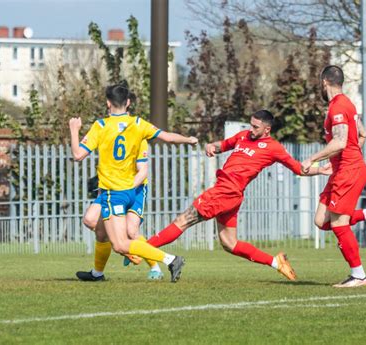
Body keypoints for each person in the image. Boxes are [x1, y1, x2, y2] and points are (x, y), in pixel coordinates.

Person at [145, 109, 332, 281]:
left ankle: (141, 250)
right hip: (228, 193)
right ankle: (276, 262)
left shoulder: (273, 147)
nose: (251, 129)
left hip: (226, 192)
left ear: (267, 129)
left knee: (182, 221)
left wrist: (320, 170)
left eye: (255, 127)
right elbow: (224, 145)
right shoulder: (244, 136)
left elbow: (298, 168)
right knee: (229, 243)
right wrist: (212, 146)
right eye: (250, 124)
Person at [69, 84, 198, 283]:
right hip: (129, 190)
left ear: (108, 103)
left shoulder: (101, 126)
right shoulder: (138, 124)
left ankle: (170, 260)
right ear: (128, 103)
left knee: (120, 244)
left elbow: (78, 155)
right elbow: (167, 137)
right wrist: (188, 139)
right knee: (100, 230)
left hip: (114, 192)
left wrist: (74, 129)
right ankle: (97, 273)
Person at [301, 65, 366, 288]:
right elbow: (361, 134)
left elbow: (341, 141)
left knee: (339, 224)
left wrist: (313, 159)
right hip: (343, 169)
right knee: (321, 221)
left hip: (348, 171)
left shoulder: (338, 106)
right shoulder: (347, 105)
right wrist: (338, 161)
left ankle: (359, 275)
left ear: (324, 81)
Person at [76, 140, 164, 281]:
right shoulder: (109, 133)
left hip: (135, 189)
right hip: (111, 188)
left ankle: (156, 268)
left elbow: (142, 171)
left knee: (131, 231)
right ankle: (98, 273)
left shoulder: (138, 135)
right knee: (90, 219)